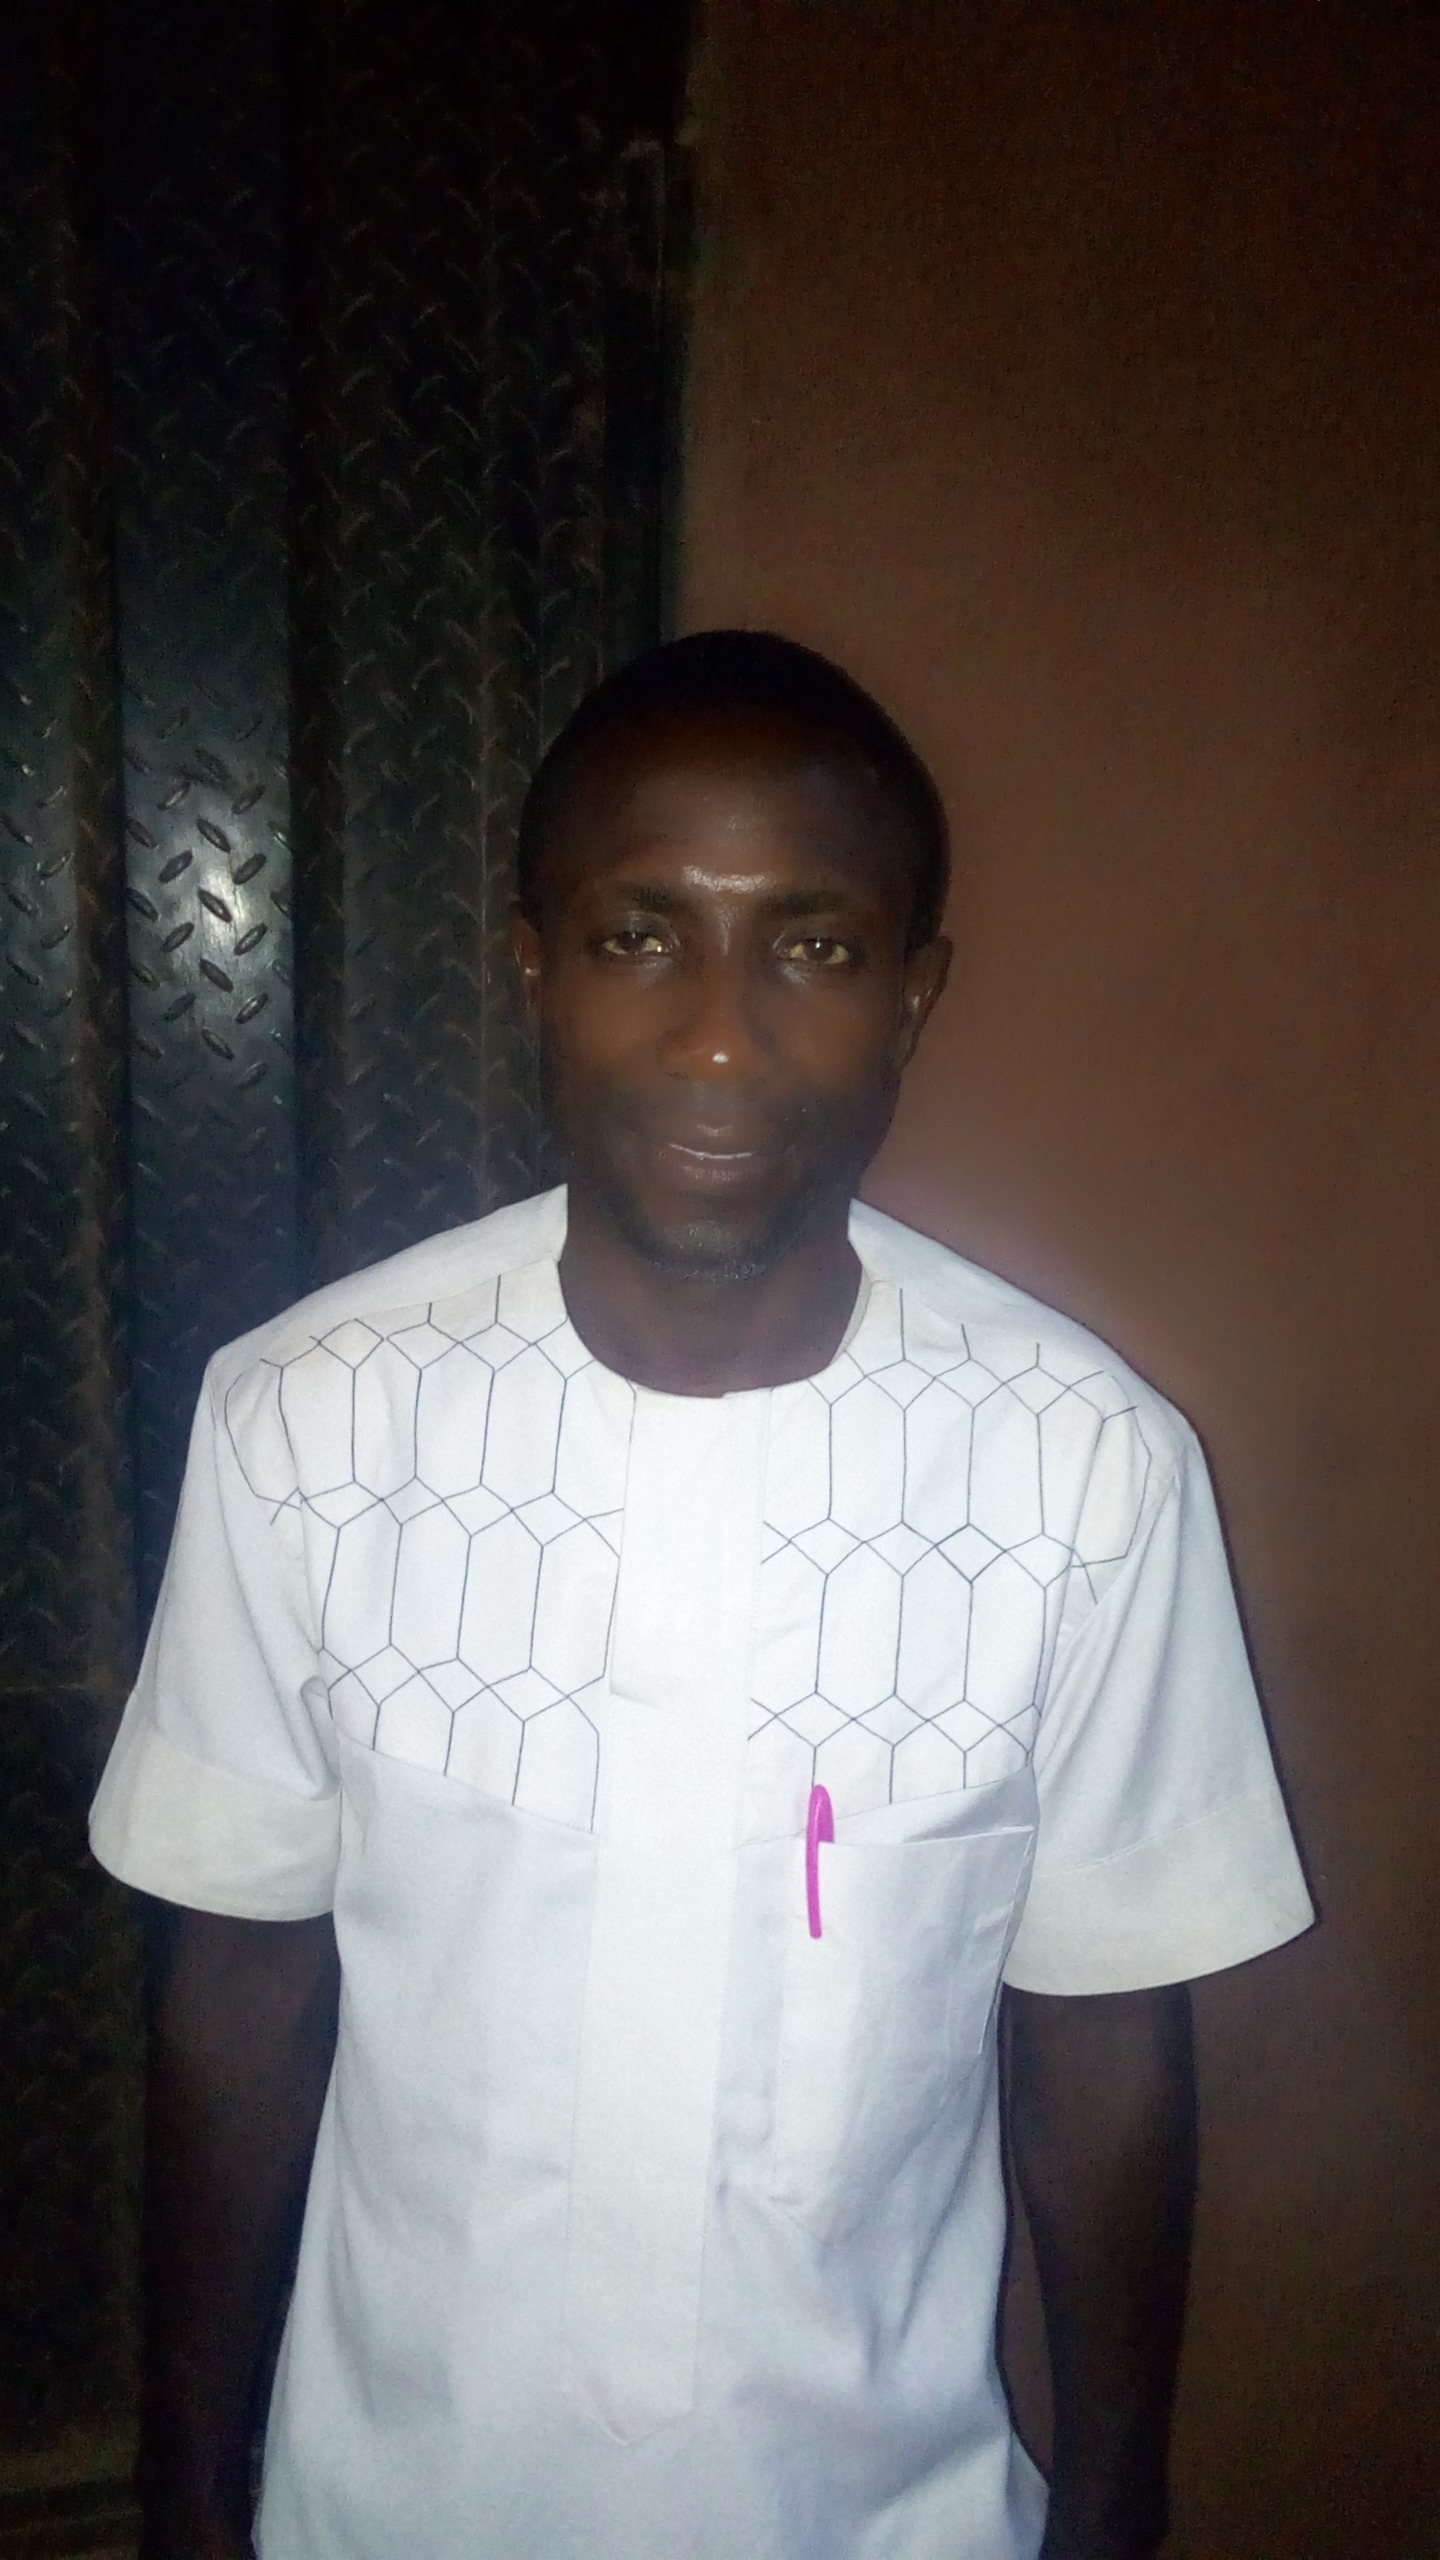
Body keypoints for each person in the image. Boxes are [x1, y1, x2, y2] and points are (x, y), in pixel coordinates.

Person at [92, 630, 1314, 2560]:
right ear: (533, 964)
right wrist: (185, 2490)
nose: (721, 1038)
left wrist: (1116, 2512)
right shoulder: (308, 1421)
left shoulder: (1085, 1470)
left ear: (913, 995)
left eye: (811, 945)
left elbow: (1103, 2032)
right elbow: (239, 1979)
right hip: (383, 2507)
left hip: (886, 2520)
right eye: (639, 936)